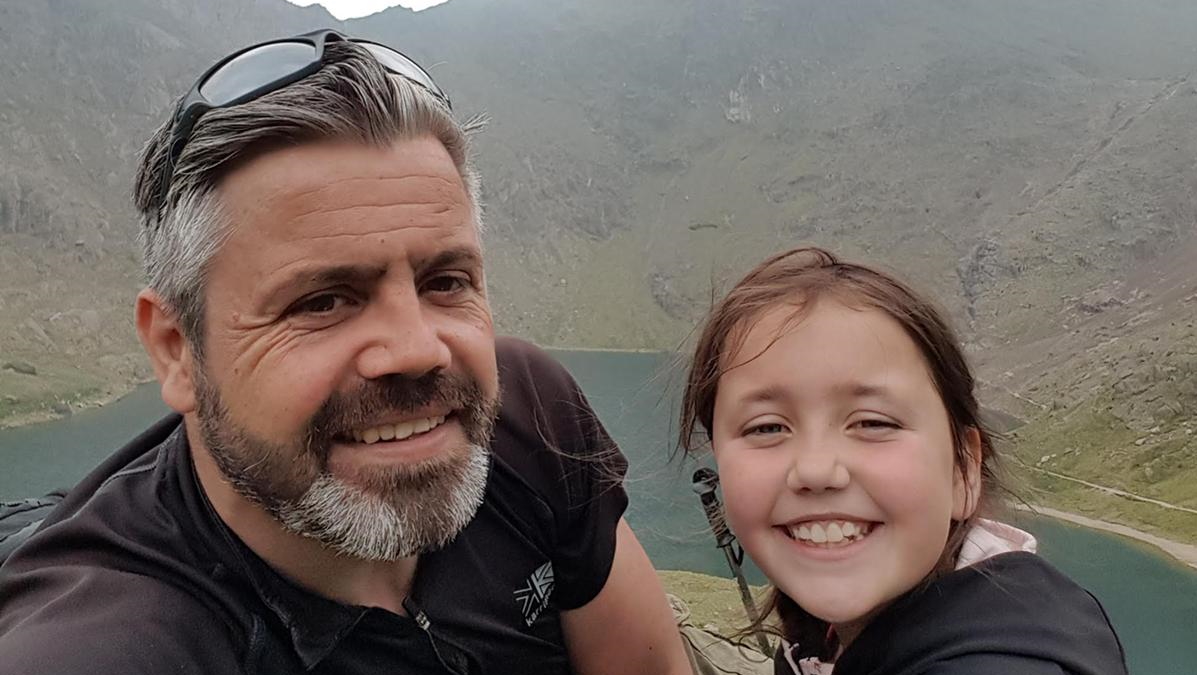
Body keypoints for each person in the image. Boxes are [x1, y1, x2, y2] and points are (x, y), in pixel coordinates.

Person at [0, 29, 688, 675]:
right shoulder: (112, 645)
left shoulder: (530, 412)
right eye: (322, 300)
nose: (416, 350)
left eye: (445, 281)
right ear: (177, 350)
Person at [677, 247, 1128, 675]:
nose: (815, 469)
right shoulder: (829, 633)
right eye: (767, 428)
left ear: (964, 470)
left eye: (873, 423)